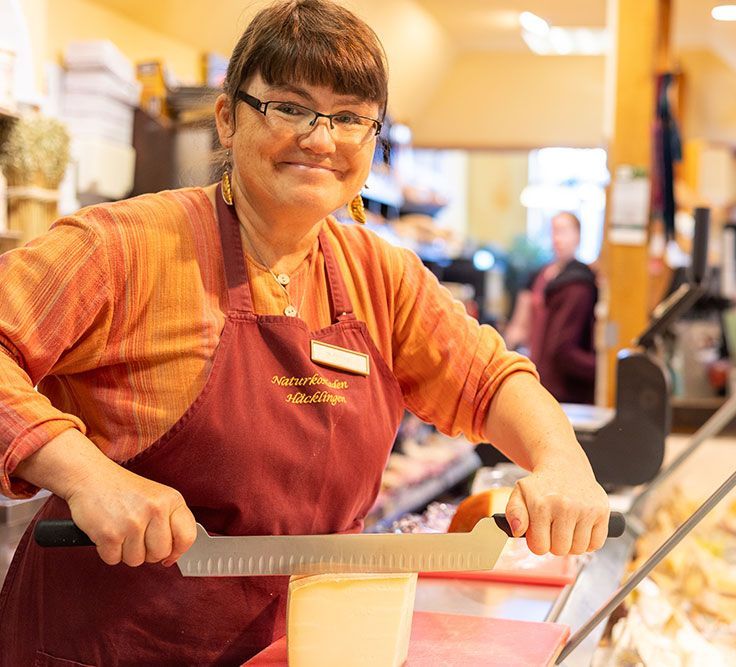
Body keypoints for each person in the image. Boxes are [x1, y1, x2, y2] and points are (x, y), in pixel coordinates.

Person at [0, 2, 609, 664]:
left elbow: (490, 379)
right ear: (228, 118)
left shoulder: (383, 276)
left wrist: (563, 462)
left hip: (294, 646)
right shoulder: (126, 247)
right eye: (289, 107)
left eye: (350, 117)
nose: (321, 138)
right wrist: (87, 474)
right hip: (101, 646)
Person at [505, 212, 598, 404]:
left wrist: (602, 371)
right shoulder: (538, 276)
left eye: (564, 232)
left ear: (577, 236)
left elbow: (564, 347)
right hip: (536, 368)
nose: (558, 238)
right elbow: (519, 326)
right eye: (554, 231)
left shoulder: (578, 284)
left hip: (562, 382)